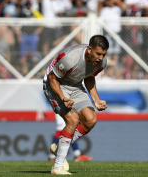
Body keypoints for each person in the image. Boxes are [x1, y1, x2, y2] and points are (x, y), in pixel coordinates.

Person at [43, 35, 109, 175]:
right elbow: (52, 78)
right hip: (54, 85)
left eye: (103, 54)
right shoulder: (71, 58)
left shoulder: (101, 63)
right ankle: (58, 167)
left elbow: (90, 77)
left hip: (75, 85)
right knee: (72, 119)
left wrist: (96, 100)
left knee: (91, 119)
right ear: (89, 49)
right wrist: (63, 97)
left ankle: (58, 146)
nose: (101, 58)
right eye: (98, 54)